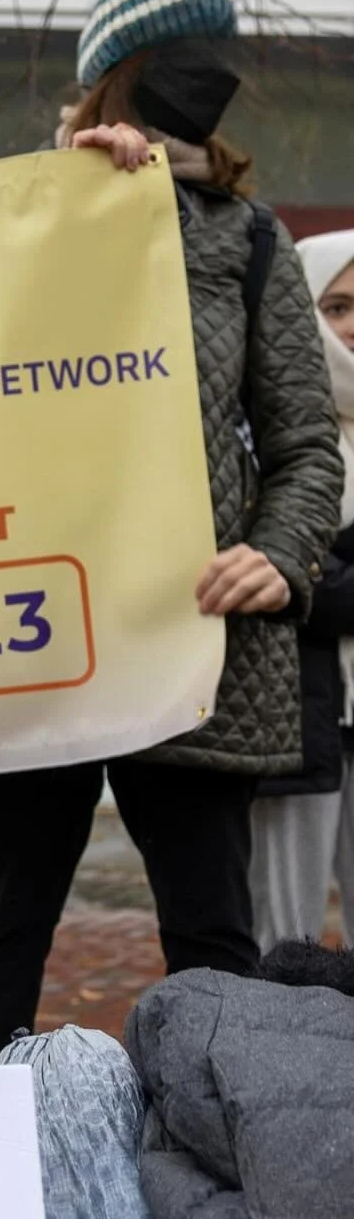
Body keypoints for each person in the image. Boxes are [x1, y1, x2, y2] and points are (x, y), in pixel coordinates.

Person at [0, 0, 344, 1067]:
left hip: (191, 634)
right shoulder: (16, 215)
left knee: (212, 942)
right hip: (42, 634)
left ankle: (225, 1160)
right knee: (6, 926)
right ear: (118, 78)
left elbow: (306, 443)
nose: (206, 82)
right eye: (179, 60)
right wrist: (48, 197)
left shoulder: (253, 240)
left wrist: (279, 552)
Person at [250, 229, 354, 948]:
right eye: (338, 305)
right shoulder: (262, 426)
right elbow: (283, 576)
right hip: (295, 720)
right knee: (281, 946)